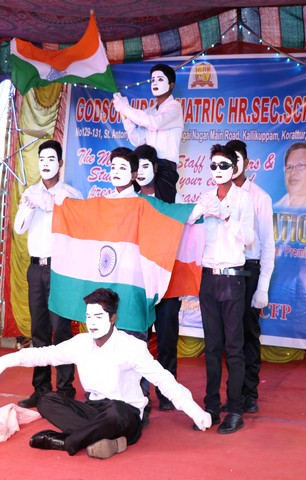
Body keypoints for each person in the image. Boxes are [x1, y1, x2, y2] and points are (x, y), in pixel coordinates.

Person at [0, 288, 212, 459]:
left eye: (98, 316)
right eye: (89, 317)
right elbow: (46, 354)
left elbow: (162, 379)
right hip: (94, 410)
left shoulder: (131, 347)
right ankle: (103, 441)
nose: (92, 323)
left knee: (115, 411)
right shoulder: (81, 343)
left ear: (113, 318)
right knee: (46, 400)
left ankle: (66, 441)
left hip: (125, 415)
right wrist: (11, 359)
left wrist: (194, 410)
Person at [188, 144, 254, 434]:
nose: (217, 170)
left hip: (232, 278)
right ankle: (212, 406)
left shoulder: (243, 199)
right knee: (212, 347)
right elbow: (187, 224)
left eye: (223, 165)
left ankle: (236, 408)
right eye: (213, 165)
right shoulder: (205, 196)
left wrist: (226, 216)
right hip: (208, 278)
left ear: (234, 168)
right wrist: (196, 213)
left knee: (234, 348)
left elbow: (250, 238)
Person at [13, 139, 82, 408]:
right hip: (35, 268)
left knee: (61, 329)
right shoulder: (30, 192)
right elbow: (19, 228)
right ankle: (40, 389)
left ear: (60, 163)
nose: (45, 164)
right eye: (41, 159)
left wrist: (52, 204)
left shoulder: (71, 195)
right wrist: (30, 205)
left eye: (51, 159)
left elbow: (77, 228)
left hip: (60, 268)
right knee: (39, 331)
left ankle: (65, 390)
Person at [225, 139, 275, 414]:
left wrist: (262, 286)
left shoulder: (260, 197)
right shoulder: (218, 194)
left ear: (246, 163)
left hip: (249, 270)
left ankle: (249, 393)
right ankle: (233, 394)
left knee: (248, 333)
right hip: (225, 270)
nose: (232, 165)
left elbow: (268, 244)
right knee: (229, 337)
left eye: (237, 159)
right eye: (227, 160)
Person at [134, 144, 181, 412]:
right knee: (138, 341)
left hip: (168, 281)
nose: (140, 172)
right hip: (139, 283)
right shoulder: (131, 200)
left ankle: (167, 393)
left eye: (146, 166)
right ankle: (140, 394)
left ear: (155, 167)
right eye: (136, 167)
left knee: (167, 340)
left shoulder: (174, 199)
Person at [112, 63, 183, 166]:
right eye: (153, 80)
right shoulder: (149, 111)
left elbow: (155, 123)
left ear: (171, 85)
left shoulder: (175, 106)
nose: (155, 83)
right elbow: (137, 139)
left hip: (166, 166)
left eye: (160, 79)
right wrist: (124, 113)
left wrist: (125, 108)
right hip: (148, 165)